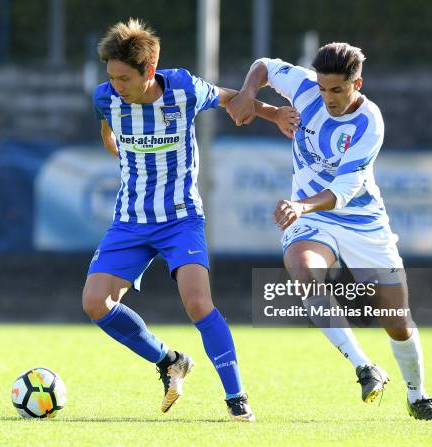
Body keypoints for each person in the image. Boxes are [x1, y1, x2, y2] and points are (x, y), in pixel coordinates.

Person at [82, 18, 296, 422]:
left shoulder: (182, 88)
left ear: (148, 71)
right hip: (129, 221)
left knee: (198, 303)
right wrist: (124, 153)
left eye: (124, 78)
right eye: (110, 77)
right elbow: (108, 135)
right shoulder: (104, 98)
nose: (116, 86)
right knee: (95, 303)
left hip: (181, 219)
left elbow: (234, 98)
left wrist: (273, 115)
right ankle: (169, 361)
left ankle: (236, 398)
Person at [227, 42, 432, 421]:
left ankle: (417, 396)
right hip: (315, 220)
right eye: (323, 88)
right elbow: (262, 65)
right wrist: (253, 97)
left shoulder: (369, 123)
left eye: (338, 90)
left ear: (357, 83)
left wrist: (299, 205)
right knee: (304, 269)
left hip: (361, 221)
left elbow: (344, 190)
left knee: (397, 322)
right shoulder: (306, 86)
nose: (327, 98)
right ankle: (365, 368)